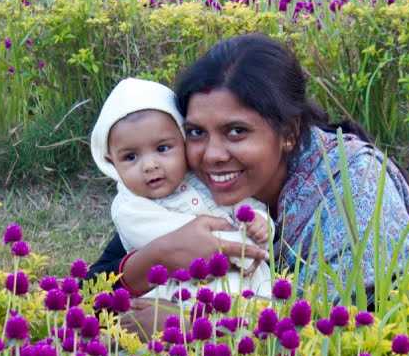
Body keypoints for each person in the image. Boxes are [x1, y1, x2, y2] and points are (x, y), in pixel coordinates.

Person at [89, 33, 409, 310]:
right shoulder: (185, 187)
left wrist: (194, 326)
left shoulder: (352, 187)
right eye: (196, 132)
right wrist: (158, 256)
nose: (212, 155)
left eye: (237, 132)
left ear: (289, 133)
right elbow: (88, 297)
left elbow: (361, 337)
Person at [89, 77, 275, 300]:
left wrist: (260, 222)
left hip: (248, 283)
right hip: (184, 293)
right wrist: (241, 247)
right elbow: (182, 242)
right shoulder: (130, 207)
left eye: (163, 148)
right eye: (130, 157)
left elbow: (244, 206)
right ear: (111, 162)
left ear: (183, 140)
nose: (150, 165)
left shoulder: (203, 178)